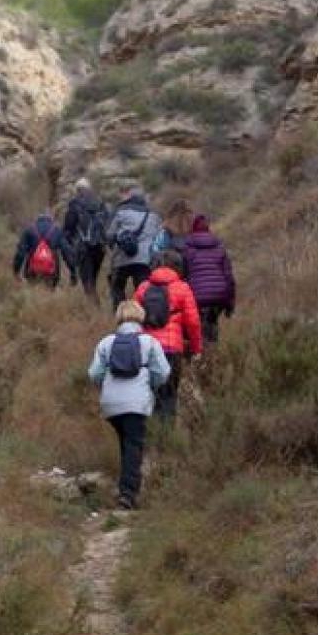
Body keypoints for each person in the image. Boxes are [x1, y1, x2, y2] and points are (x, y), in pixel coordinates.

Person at [87, 300, 172, 510]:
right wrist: (150, 385)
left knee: (127, 443)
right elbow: (163, 372)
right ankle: (128, 495)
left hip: (111, 405)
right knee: (134, 446)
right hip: (137, 403)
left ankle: (126, 487)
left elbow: (94, 374)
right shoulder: (149, 342)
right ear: (140, 317)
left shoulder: (106, 342)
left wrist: (107, 386)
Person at [133, 249, 202, 424]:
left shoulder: (142, 288)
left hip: (147, 348)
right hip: (172, 348)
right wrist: (195, 349)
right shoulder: (182, 288)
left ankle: (151, 433)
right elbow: (193, 322)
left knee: (150, 393)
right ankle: (167, 437)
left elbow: (132, 319)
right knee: (169, 394)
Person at [181, 215, 237, 348]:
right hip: (218, 295)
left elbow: (183, 276)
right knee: (212, 323)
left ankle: (202, 356)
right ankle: (213, 353)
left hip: (196, 296)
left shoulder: (187, 249)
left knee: (199, 328)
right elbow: (229, 277)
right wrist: (230, 304)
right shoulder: (220, 248)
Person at [106, 187, 162, 310]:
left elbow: (109, 235)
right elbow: (158, 239)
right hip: (144, 260)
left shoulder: (121, 213)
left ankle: (120, 314)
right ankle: (142, 316)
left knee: (117, 288)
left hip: (121, 258)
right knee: (142, 291)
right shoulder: (154, 216)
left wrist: (114, 245)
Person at [62, 179, 109, 299]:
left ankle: (94, 310)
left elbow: (69, 228)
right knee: (93, 279)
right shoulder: (100, 203)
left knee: (87, 282)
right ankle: (95, 306)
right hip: (100, 247)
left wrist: (68, 246)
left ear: (78, 190)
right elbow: (108, 222)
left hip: (83, 248)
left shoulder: (75, 204)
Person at [12, 212, 64, 287]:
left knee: (32, 291)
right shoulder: (57, 231)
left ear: (37, 220)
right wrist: (73, 273)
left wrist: (16, 270)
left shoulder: (29, 230)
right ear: (50, 220)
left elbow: (21, 252)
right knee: (49, 292)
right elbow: (66, 252)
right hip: (52, 271)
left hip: (32, 270)